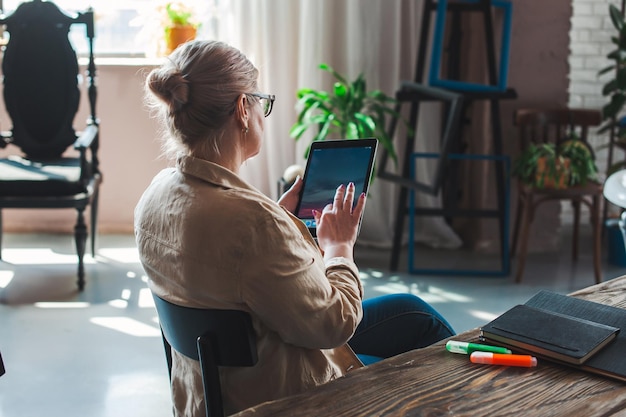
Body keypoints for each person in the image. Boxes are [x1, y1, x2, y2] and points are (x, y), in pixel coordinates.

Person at [135, 40, 455, 416]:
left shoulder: (156, 195)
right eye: (261, 102)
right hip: (282, 399)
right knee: (431, 345)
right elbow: (332, 326)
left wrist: (278, 216)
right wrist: (339, 248)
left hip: (209, 396)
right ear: (242, 108)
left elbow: (230, 265)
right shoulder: (253, 223)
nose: (261, 114)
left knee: (412, 312)